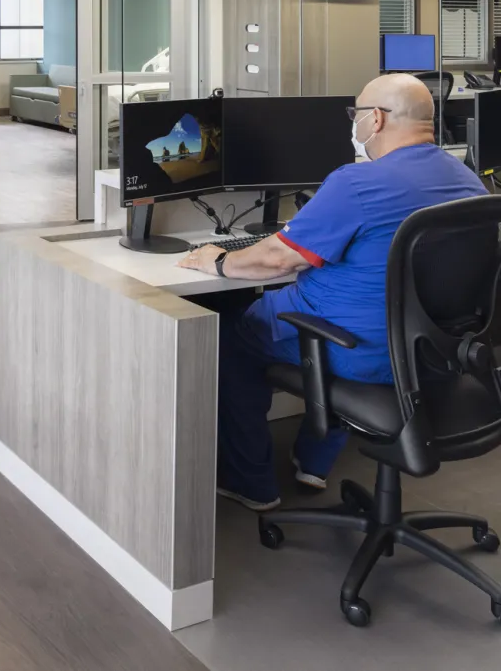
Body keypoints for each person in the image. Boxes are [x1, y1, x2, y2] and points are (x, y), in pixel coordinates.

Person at [178, 74, 486, 512]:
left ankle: (252, 482)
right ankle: (313, 461)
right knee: (348, 314)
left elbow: (278, 259)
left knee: (230, 336)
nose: (354, 124)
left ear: (375, 120)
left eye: (355, 114)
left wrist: (218, 260)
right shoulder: (467, 181)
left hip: (354, 349)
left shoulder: (356, 184)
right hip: (429, 353)